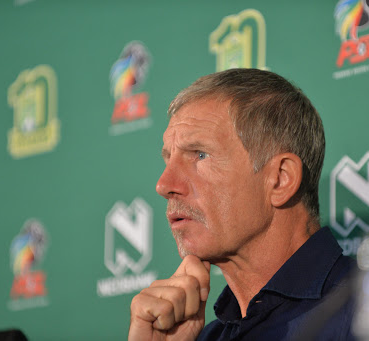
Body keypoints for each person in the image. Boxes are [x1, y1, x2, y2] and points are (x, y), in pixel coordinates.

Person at [129, 68, 356, 340]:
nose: (164, 185)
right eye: (168, 159)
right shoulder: (198, 337)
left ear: (281, 179)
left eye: (200, 155)